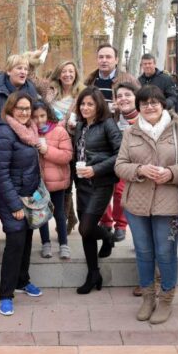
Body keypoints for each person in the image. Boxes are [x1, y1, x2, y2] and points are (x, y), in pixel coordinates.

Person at [116, 85, 178, 324]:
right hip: (137, 203)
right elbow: (120, 165)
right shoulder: (131, 132)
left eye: (154, 102)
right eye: (144, 103)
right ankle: (148, 297)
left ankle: (166, 299)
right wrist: (139, 170)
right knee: (143, 252)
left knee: (165, 252)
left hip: (169, 203)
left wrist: (171, 173)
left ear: (163, 104)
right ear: (138, 107)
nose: (149, 107)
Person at [0, 92, 43, 316]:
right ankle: (5, 294)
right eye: (20, 108)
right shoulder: (4, 132)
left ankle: (23, 280)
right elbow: (1, 174)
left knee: (27, 241)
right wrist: (14, 206)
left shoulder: (30, 130)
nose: (24, 112)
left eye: (27, 108)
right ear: (11, 109)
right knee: (14, 245)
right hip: (11, 199)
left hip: (29, 197)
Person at [72, 86, 122, 294]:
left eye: (90, 104)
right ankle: (93, 274)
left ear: (98, 105)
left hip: (101, 183)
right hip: (82, 183)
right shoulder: (80, 126)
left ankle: (108, 237)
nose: (85, 107)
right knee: (86, 233)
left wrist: (96, 169)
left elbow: (120, 154)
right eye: (82, 104)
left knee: (85, 227)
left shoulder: (108, 124)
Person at [46, 60, 85, 235]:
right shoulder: (50, 90)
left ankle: (66, 219)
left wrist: (73, 124)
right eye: (64, 71)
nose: (67, 74)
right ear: (58, 74)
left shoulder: (82, 93)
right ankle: (70, 217)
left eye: (71, 71)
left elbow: (88, 115)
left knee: (67, 183)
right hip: (51, 142)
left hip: (72, 142)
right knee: (57, 181)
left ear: (75, 73)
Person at [99, 82, 140, 243]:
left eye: (128, 95)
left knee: (120, 192)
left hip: (129, 162)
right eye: (120, 96)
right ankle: (106, 221)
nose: (123, 99)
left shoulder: (143, 116)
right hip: (109, 157)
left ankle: (121, 225)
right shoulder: (111, 115)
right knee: (103, 191)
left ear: (136, 97)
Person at [32, 101, 73, 259]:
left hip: (57, 182)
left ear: (48, 114)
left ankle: (63, 244)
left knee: (59, 213)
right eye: (35, 117)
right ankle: (45, 243)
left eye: (42, 115)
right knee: (42, 213)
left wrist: (46, 150)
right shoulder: (29, 132)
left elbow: (67, 156)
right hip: (38, 184)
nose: (39, 120)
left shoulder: (59, 131)